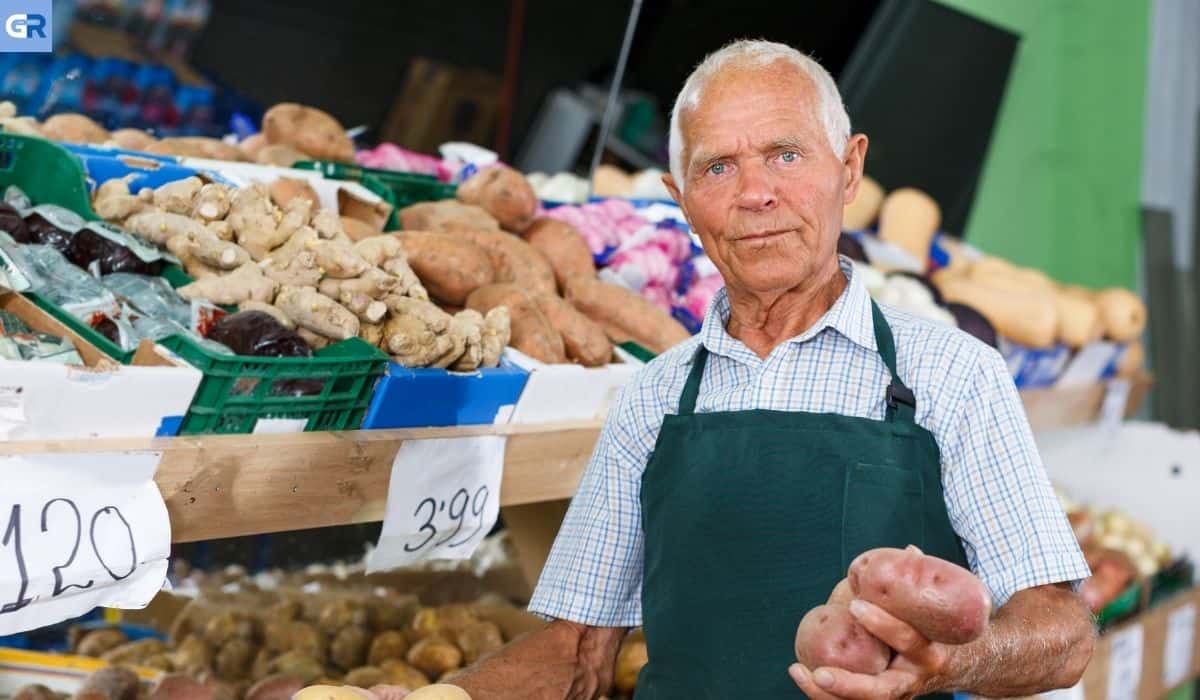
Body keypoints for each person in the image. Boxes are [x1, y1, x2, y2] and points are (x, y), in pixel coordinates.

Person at [372, 39, 1097, 700]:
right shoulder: (653, 396)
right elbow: (578, 650)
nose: (755, 193)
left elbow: (1062, 631)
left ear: (849, 168)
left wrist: (949, 664)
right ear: (681, 199)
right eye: (718, 167)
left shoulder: (953, 373)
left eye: (786, 155)